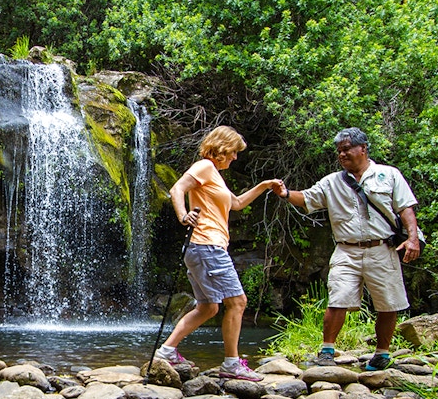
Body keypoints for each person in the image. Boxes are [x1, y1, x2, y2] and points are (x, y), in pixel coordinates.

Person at [274, 127, 422, 370]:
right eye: (339, 151)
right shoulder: (332, 182)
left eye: (346, 149)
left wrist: (413, 239)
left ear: (362, 148)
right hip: (346, 250)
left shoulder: (389, 175)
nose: (341, 155)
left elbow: (406, 208)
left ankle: (382, 354)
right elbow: (308, 199)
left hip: (382, 248)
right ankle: (327, 351)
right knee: (338, 298)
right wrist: (286, 193)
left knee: (388, 302)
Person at [154, 125, 281, 381]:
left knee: (209, 307)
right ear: (223, 148)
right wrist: (182, 215)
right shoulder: (204, 167)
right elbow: (177, 189)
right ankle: (232, 364)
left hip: (203, 248)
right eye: (234, 152)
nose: (235, 158)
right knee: (237, 302)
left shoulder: (214, 174)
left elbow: (236, 204)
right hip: (206, 246)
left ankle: (166, 351)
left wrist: (264, 186)